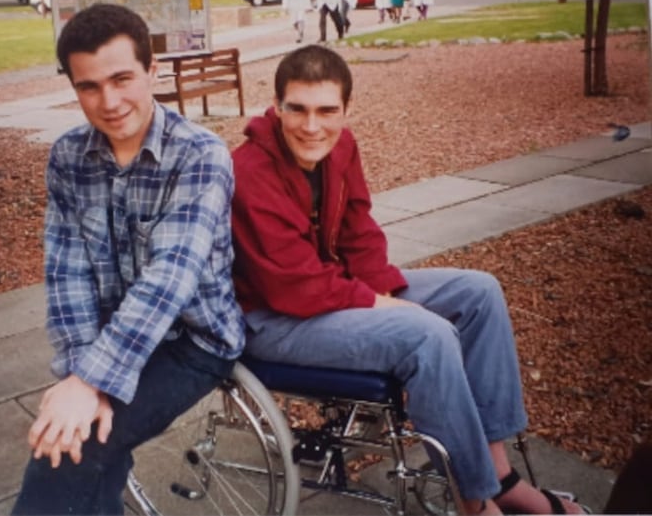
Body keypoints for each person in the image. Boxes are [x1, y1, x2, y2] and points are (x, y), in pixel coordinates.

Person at [230, 44, 588, 516]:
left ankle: (501, 477)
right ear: (277, 108)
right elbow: (292, 285)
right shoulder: (250, 170)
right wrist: (384, 308)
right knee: (426, 335)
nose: (312, 126)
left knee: (479, 292)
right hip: (274, 319)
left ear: (346, 109)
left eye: (326, 110)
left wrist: (380, 290)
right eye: (297, 109)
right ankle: (476, 504)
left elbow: (359, 231)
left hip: (330, 291)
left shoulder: (343, 147)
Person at [10, 3, 246, 515]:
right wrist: (80, 374)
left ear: (152, 71)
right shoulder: (69, 155)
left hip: (192, 340)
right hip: (110, 335)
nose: (109, 101)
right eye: (88, 86)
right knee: (80, 437)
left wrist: (91, 380)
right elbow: (66, 271)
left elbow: (171, 279)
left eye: (122, 79)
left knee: (70, 448)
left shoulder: (200, 155)